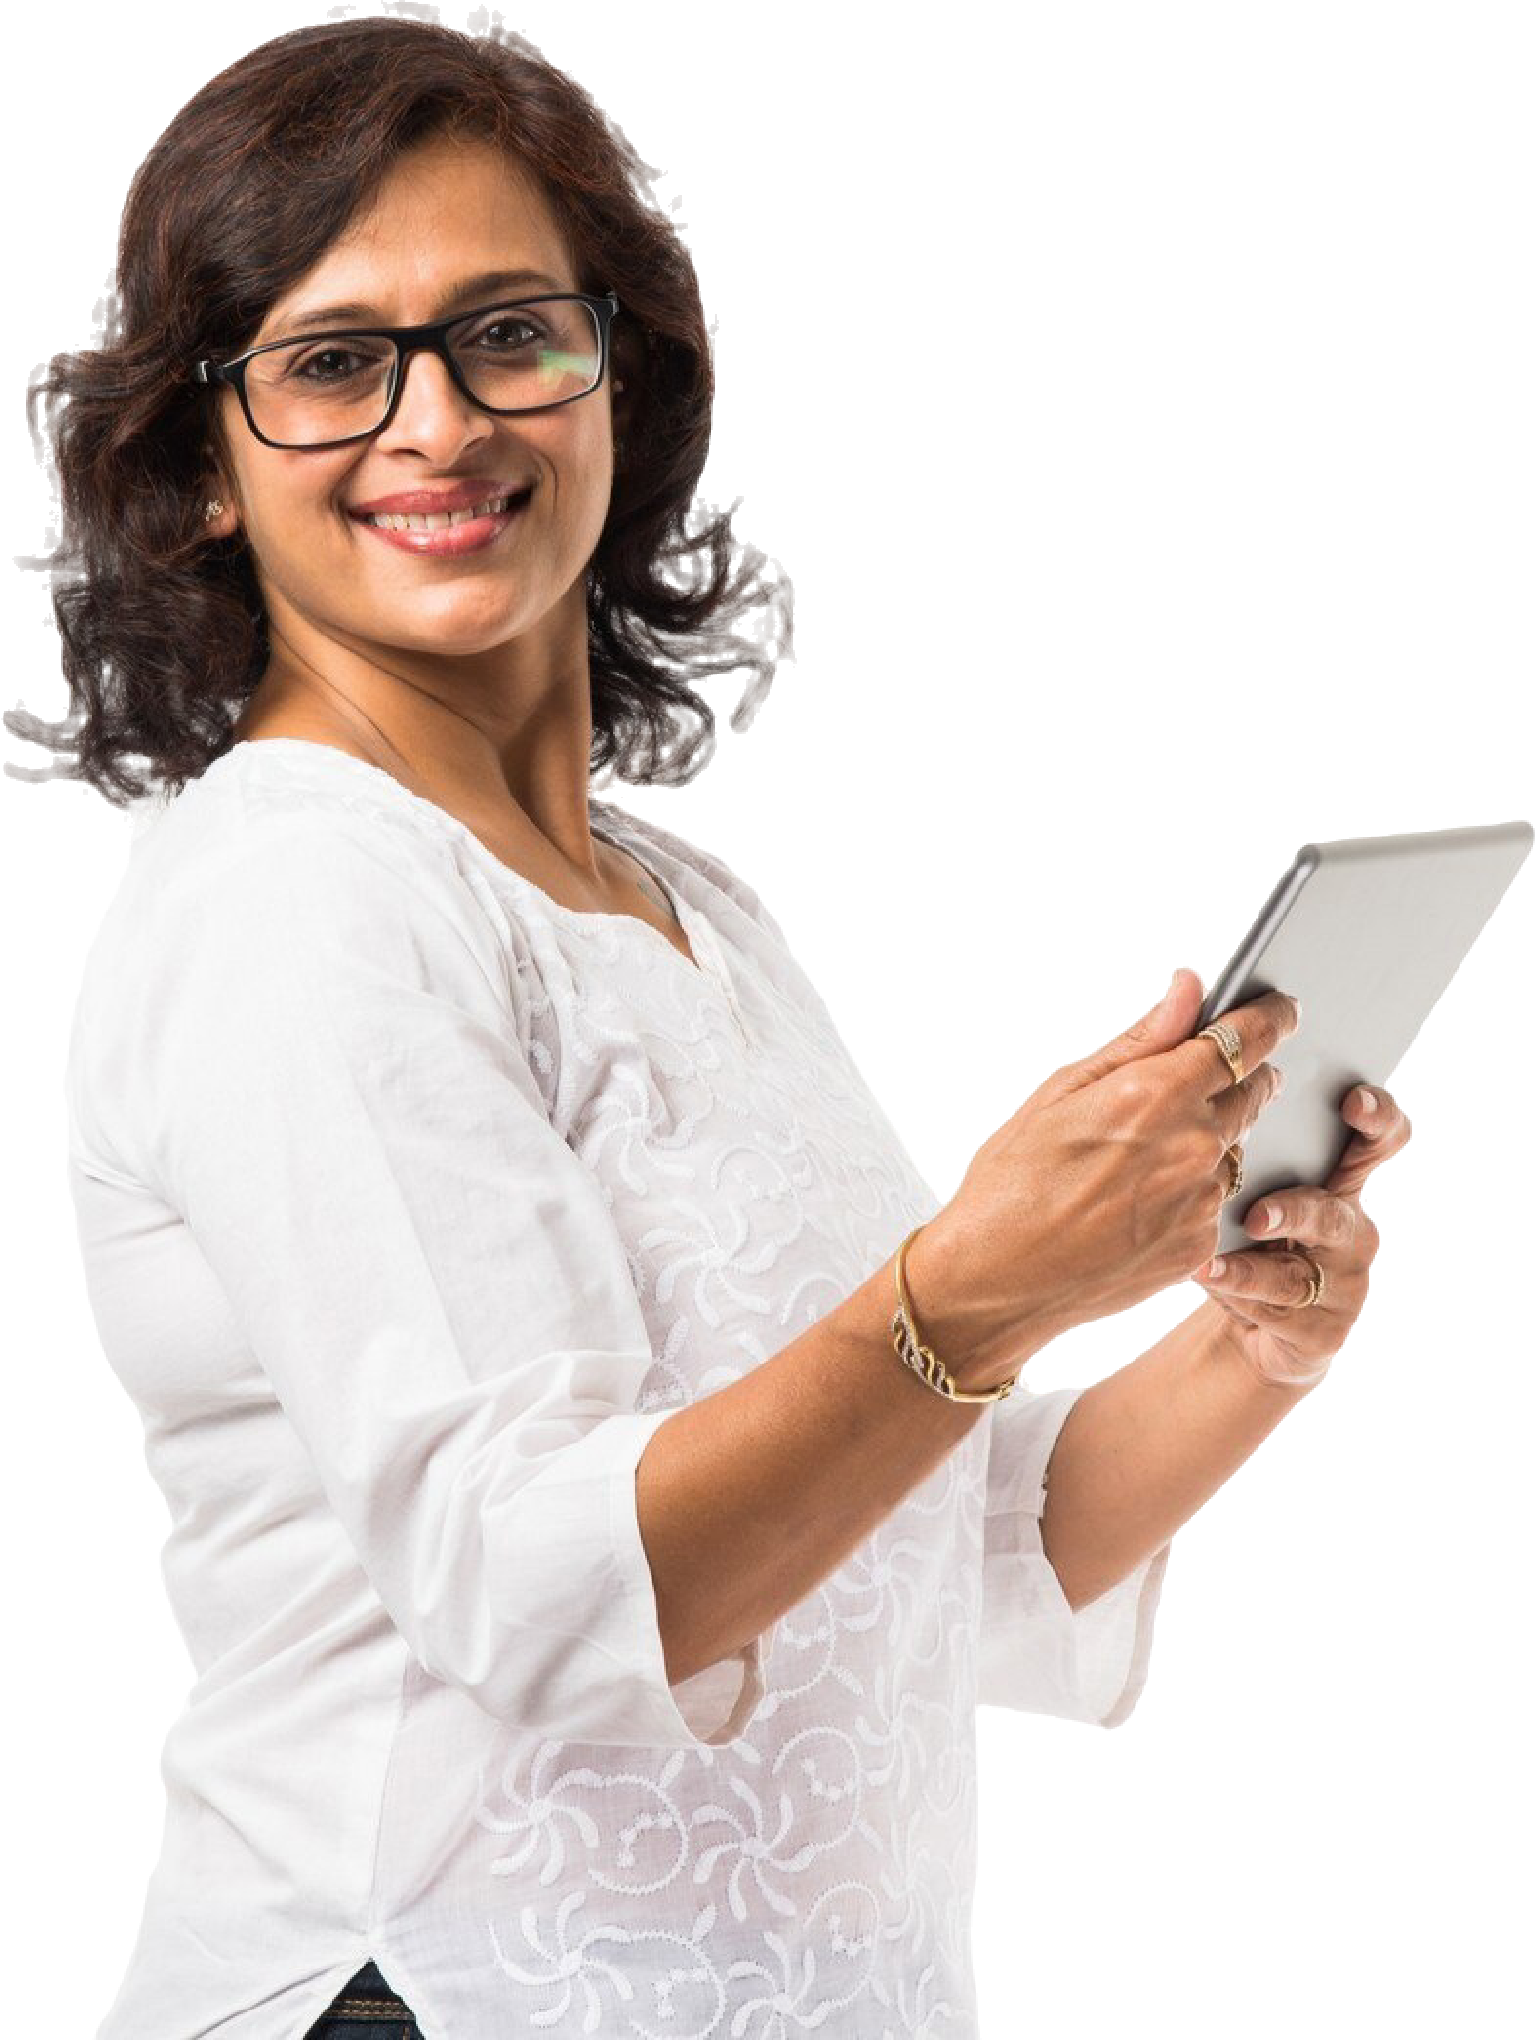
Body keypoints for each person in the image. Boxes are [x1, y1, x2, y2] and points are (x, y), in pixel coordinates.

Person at [15, 15, 1412, 2040]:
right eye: (330, 363)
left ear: (620, 381)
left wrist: (1242, 1343)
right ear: (202, 468)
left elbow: (926, 1546)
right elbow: (538, 1585)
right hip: (422, 1995)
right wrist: (976, 1288)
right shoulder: (298, 893)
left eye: (510, 334)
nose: (437, 423)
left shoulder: (681, 907)